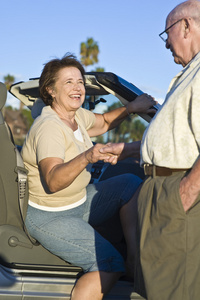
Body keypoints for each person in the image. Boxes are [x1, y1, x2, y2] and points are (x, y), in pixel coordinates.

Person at [21, 53, 156, 300]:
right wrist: (87, 157)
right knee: (107, 263)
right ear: (51, 90)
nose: (77, 87)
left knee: (129, 183)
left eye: (80, 82)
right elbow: (52, 180)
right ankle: (120, 266)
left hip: (78, 202)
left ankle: (134, 261)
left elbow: (103, 122)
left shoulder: (75, 117)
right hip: (50, 217)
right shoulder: (49, 126)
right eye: (68, 82)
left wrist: (130, 108)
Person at [100, 1, 200, 299]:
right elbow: (177, 140)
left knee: (172, 289)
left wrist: (186, 192)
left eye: (166, 33)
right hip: (161, 190)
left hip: (177, 192)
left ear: (186, 25)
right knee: (154, 288)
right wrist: (130, 149)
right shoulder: (190, 74)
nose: (166, 42)